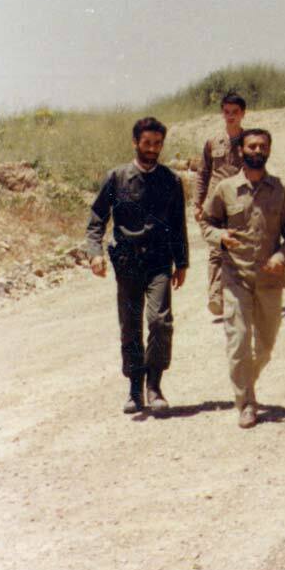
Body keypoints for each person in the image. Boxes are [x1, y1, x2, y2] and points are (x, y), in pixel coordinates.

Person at [201, 128, 285, 428]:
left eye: (262, 146)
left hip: (270, 279)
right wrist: (220, 236)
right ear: (241, 151)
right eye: (252, 146)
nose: (257, 151)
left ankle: (247, 380)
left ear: (268, 150)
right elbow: (206, 223)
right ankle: (246, 402)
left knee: (266, 347)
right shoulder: (225, 189)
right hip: (236, 277)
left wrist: (282, 256)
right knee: (239, 342)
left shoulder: (281, 189)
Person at [85, 117, 189, 413]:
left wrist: (181, 262)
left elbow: (178, 224)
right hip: (128, 263)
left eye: (157, 144)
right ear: (135, 142)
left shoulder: (170, 180)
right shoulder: (116, 178)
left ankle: (154, 386)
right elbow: (96, 219)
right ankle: (134, 388)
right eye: (147, 143)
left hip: (159, 262)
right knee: (130, 326)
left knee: (159, 321)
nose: (152, 149)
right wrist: (95, 253)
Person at [194, 92, 246, 316]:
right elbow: (203, 173)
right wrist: (197, 203)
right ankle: (216, 296)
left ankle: (239, 295)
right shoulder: (213, 142)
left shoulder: (249, 141)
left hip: (240, 201)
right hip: (215, 202)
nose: (230, 116)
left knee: (238, 247)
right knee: (216, 248)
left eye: (235, 112)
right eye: (227, 112)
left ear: (243, 113)